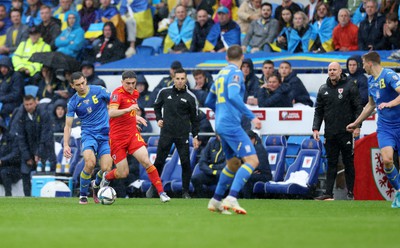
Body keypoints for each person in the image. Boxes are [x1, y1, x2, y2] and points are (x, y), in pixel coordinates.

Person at [205, 45, 262, 215]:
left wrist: (220, 113)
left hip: (221, 123)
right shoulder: (236, 73)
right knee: (252, 161)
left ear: (226, 58)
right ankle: (232, 197)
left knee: (233, 164)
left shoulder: (220, 74)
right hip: (231, 124)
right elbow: (233, 95)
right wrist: (252, 116)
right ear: (242, 57)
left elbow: (209, 100)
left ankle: (215, 201)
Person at [100, 71, 171, 203]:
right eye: (128, 83)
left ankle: (161, 193)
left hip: (132, 134)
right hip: (117, 138)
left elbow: (129, 110)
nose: (131, 86)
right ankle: (107, 177)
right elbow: (111, 112)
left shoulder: (135, 93)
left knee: (146, 161)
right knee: (123, 173)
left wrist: (134, 118)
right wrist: (129, 111)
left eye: (133, 83)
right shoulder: (117, 94)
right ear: (122, 82)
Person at [346, 51, 400, 208]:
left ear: (370, 63)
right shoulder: (371, 81)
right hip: (385, 127)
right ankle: (398, 192)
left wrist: (390, 104)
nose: (362, 67)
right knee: (388, 160)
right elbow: (370, 105)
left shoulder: (389, 75)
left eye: (363, 64)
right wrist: (356, 123)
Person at [313, 62, 363, 201]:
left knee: (348, 162)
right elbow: (318, 111)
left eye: (334, 69)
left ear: (340, 71)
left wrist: (358, 126)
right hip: (330, 133)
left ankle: (351, 193)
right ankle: (329, 193)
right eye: (329, 70)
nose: (332, 72)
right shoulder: (323, 89)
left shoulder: (350, 86)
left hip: (346, 131)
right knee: (331, 162)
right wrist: (315, 128)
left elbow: (358, 107)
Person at [148, 67, 200, 199]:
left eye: (182, 79)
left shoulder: (191, 97)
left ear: (186, 79)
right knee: (159, 162)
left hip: (183, 135)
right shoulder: (164, 92)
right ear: (173, 79)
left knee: (185, 163)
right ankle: (154, 187)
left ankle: (185, 191)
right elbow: (156, 106)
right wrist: (159, 118)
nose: (180, 81)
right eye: (177, 79)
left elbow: (195, 119)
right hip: (166, 133)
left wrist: (195, 136)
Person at [64, 72, 113, 204]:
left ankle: (95, 185)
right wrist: (66, 145)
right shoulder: (73, 102)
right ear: (72, 86)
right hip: (88, 135)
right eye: (78, 85)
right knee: (90, 163)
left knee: (107, 169)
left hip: (105, 135)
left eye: (83, 83)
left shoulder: (99, 90)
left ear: (85, 80)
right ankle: (83, 194)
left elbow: (116, 103)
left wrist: (132, 117)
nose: (81, 86)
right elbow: (68, 126)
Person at [17, 95, 56, 196]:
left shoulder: (43, 113)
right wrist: (27, 157)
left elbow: (45, 135)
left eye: (30, 104)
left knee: (45, 173)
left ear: (35, 103)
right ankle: (27, 198)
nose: (29, 107)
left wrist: (39, 153)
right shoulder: (21, 115)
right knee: (25, 173)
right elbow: (21, 138)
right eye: (26, 104)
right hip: (28, 150)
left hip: (45, 149)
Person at [242, 130, 271, 199]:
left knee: (247, 178)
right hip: (253, 173)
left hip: (264, 175)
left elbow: (260, 166)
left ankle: (247, 199)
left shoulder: (259, 149)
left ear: (253, 139)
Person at [0, 117, 21, 197]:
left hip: (12, 167)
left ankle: (8, 194)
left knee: (4, 172)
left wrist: (2, 161)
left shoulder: (11, 138)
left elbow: (15, 154)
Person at [0, 56, 23, 121]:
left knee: (2, 110)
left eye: (5, 67)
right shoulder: (2, 77)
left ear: (9, 67)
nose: (2, 70)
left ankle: (4, 128)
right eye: (1, 67)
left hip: (15, 103)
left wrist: (1, 99)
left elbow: (16, 95)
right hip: (3, 102)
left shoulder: (17, 76)